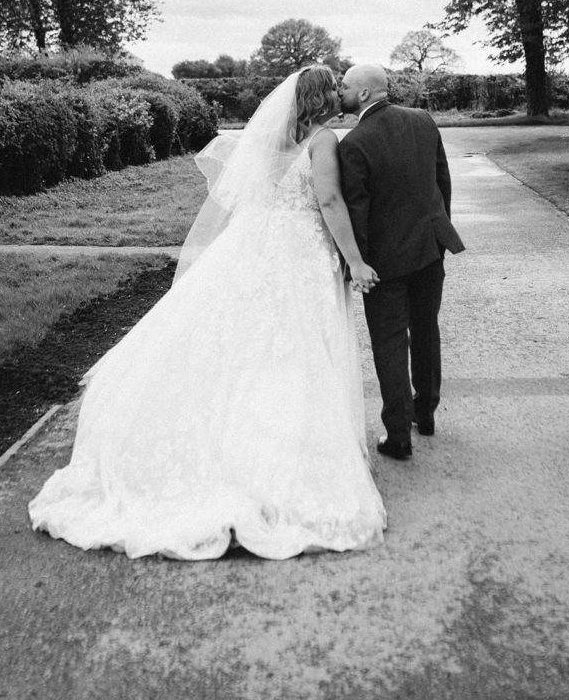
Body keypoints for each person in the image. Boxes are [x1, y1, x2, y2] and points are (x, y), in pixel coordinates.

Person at [29, 66, 386, 560]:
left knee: (237, 341)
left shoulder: (261, 142)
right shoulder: (322, 141)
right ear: (320, 98)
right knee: (294, 347)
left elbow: (247, 197)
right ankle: (280, 455)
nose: (336, 94)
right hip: (298, 251)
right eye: (332, 88)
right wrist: (354, 259)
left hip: (252, 242)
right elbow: (326, 199)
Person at [338, 64, 465, 461]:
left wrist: (356, 263)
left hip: (385, 262)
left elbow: (358, 211)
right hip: (430, 248)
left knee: (390, 342)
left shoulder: (354, 144)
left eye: (344, 86)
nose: (338, 91)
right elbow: (442, 182)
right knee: (426, 330)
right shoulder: (423, 120)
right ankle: (425, 414)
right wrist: (438, 232)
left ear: (362, 95)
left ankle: (398, 437)